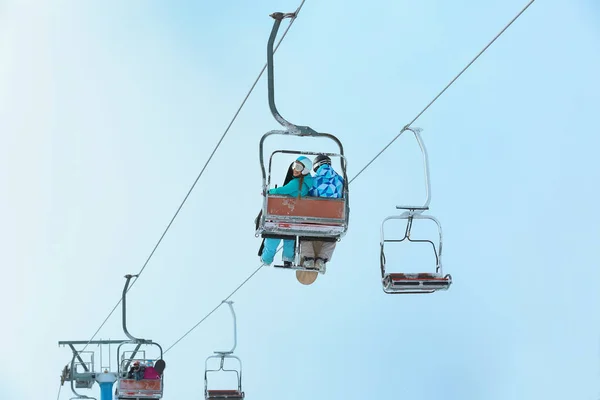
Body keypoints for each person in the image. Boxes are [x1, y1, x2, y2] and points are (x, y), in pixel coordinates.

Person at [260, 156, 314, 266]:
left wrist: (268, 191)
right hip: (296, 217)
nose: (294, 169)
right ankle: (288, 259)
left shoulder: (297, 183)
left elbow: (281, 191)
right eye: (294, 166)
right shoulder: (308, 184)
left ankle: (266, 259)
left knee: (273, 239)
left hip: (284, 215)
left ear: (305, 170)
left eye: (298, 167)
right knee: (289, 239)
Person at [300, 155, 344, 271]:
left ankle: (308, 258)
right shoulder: (340, 180)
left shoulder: (315, 180)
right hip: (335, 218)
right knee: (331, 237)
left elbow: (309, 195)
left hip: (316, 216)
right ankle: (322, 260)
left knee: (305, 234)